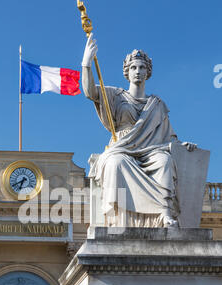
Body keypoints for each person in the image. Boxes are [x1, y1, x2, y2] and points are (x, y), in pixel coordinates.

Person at [82, 34, 197, 227]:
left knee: (165, 161)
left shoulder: (157, 104)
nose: (138, 71)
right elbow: (89, 92)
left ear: (148, 72)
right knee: (115, 162)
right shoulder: (115, 95)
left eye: (142, 67)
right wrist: (86, 63)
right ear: (127, 71)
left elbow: (169, 136)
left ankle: (164, 214)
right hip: (123, 148)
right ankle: (120, 217)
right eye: (133, 67)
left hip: (152, 149)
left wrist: (181, 145)